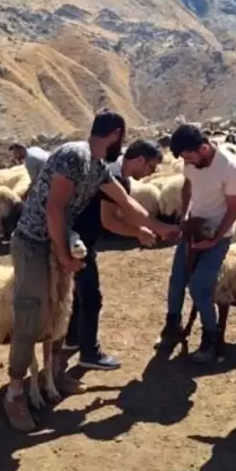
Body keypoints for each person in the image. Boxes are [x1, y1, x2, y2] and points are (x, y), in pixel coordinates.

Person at [5, 110, 180, 432]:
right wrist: (63, 256)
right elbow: (54, 209)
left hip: (58, 242)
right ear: (114, 133)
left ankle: (54, 373)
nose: (123, 145)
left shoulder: (97, 167)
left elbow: (128, 205)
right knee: (31, 314)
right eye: (122, 138)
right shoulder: (75, 156)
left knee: (60, 312)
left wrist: (162, 228)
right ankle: (15, 393)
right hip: (33, 242)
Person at [65, 139, 164, 370]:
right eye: (151, 167)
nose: (152, 173)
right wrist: (139, 233)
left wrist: (140, 229)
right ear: (140, 160)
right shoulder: (114, 176)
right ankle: (90, 352)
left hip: (75, 237)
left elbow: (121, 213)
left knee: (80, 293)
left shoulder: (116, 173)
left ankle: (73, 338)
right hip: (79, 242)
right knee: (91, 298)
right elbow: (108, 221)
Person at [156, 124, 236, 363]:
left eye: (189, 156)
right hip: (193, 229)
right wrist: (184, 215)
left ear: (204, 148)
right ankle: (172, 327)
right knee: (177, 280)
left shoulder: (231, 170)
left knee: (199, 288)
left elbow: (235, 208)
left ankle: (211, 339)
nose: (187, 162)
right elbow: (187, 185)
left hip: (217, 236)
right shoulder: (190, 163)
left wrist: (215, 238)